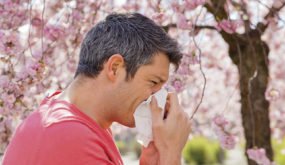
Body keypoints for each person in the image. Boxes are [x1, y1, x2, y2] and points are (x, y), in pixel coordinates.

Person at [2, 13, 191, 165]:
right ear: (115, 67)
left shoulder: (66, 121)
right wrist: (170, 154)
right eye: (153, 82)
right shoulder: (70, 136)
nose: (157, 97)